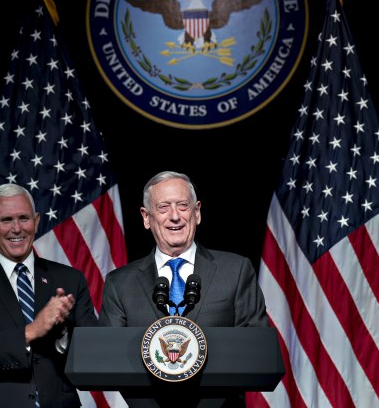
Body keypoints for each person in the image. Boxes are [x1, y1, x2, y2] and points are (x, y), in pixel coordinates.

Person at [99, 170, 268, 407]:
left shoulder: (236, 271)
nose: (175, 216)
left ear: (197, 212)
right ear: (146, 217)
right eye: (163, 207)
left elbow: (255, 348)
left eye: (183, 205)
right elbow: (109, 358)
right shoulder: (120, 283)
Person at [0, 183, 99, 408]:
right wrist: (31, 332)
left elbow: (91, 358)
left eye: (24, 218)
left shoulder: (70, 280)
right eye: (6, 220)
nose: (17, 228)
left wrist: (62, 338)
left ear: (36, 221)